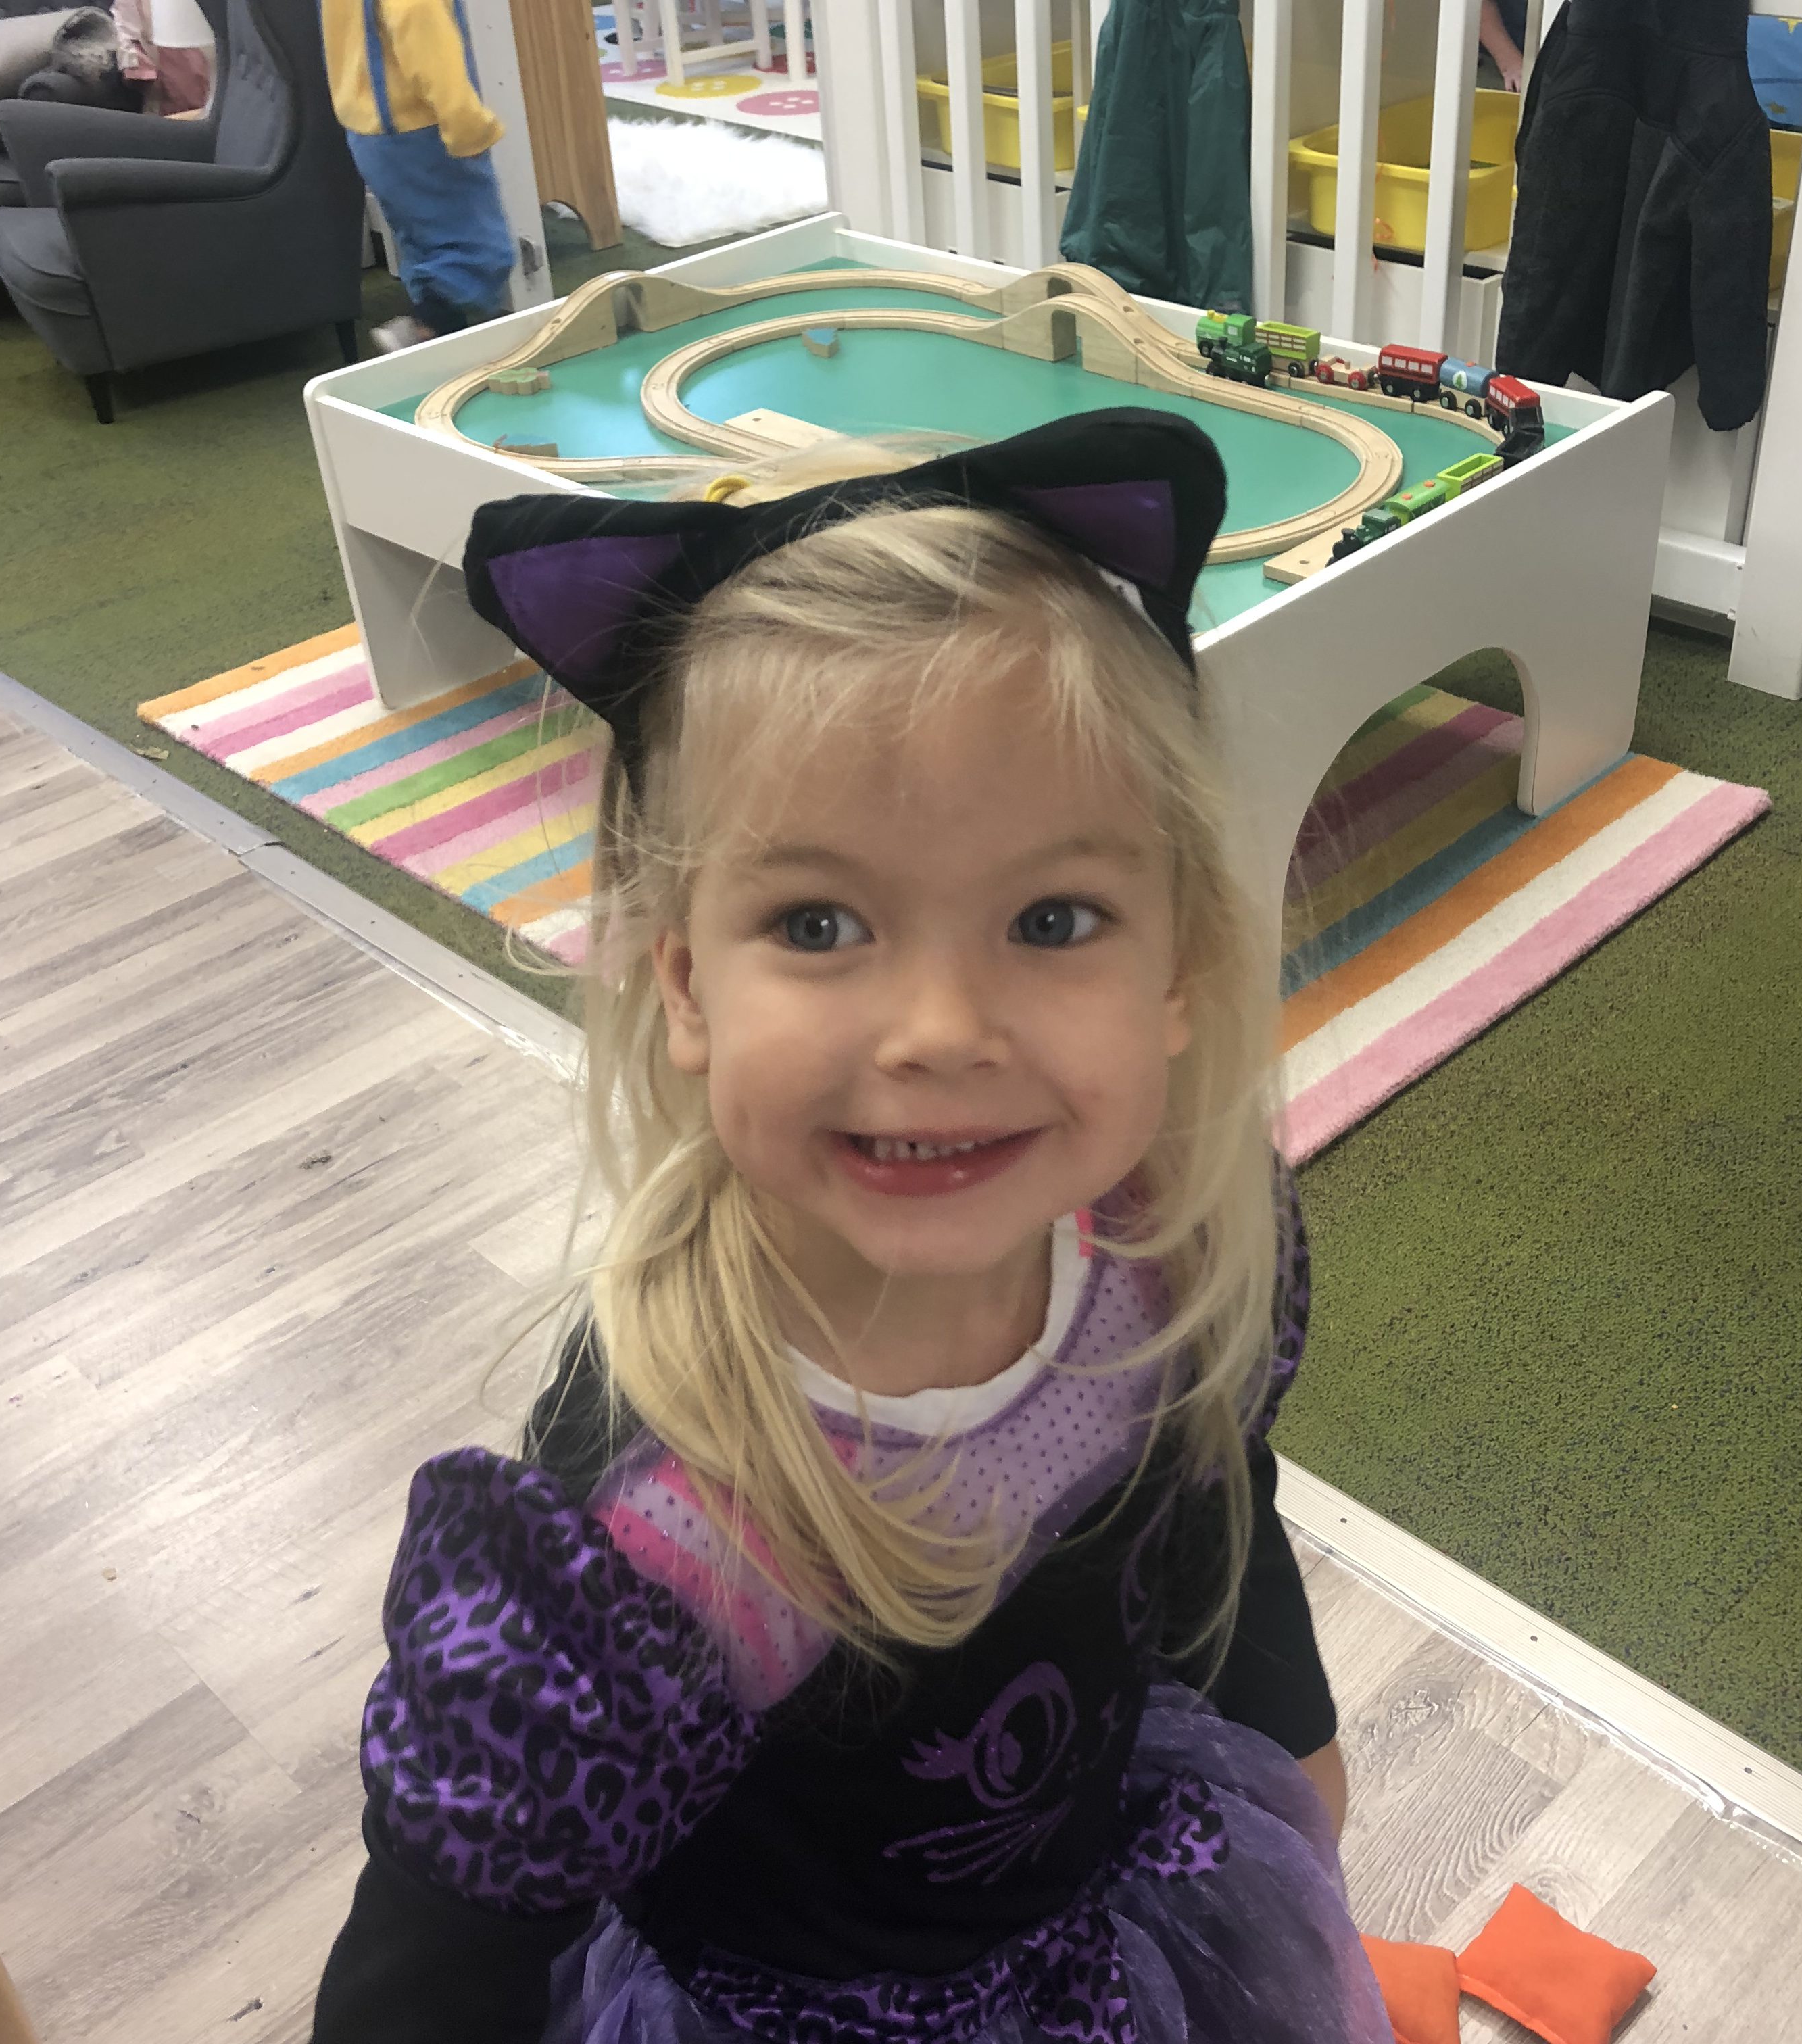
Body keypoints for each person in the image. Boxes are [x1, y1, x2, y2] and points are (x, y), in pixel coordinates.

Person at [309, 410, 1392, 2044]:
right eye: (819, 923)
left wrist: (1285, 1729)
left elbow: (1211, 1497)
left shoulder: (1161, 1248)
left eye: (1053, 919)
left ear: (1178, 966)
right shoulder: (655, 1519)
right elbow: (432, 1970)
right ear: (684, 984)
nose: (940, 1030)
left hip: (1113, 1933)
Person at [322, 0, 514, 352]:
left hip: (368, 129)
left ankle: (439, 342)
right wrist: (466, 122)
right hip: (417, 127)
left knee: (425, 244)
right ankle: (426, 326)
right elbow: (424, 35)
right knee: (477, 246)